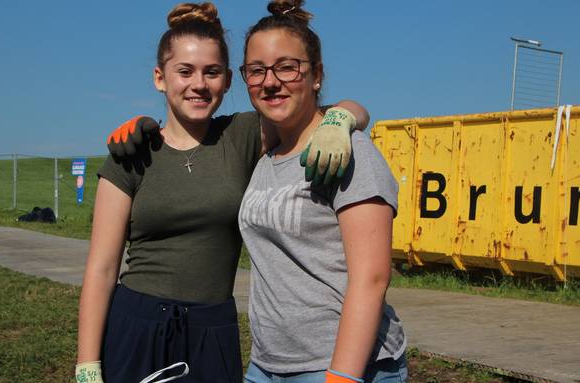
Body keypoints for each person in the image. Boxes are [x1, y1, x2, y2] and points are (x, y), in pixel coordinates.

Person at [76, 3, 369, 383]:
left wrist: (340, 120)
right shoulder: (131, 153)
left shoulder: (244, 134)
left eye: (211, 72)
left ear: (229, 80)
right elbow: (100, 270)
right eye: (184, 71)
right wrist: (86, 364)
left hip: (211, 331)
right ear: (159, 78)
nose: (199, 84)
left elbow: (332, 109)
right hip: (137, 325)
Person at [237, 1, 408, 382]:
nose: (270, 81)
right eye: (256, 70)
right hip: (267, 366)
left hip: (340, 365)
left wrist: (342, 376)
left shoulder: (349, 151)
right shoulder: (266, 153)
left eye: (287, 67)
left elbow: (373, 278)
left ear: (316, 75)